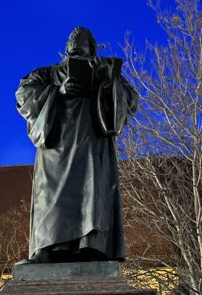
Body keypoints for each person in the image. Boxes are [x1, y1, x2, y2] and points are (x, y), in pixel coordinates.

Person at [16, 26, 138, 263]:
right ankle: (45, 249)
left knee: (90, 194)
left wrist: (108, 83)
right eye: (72, 37)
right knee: (50, 195)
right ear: (66, 46)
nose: (75, 38)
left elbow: (130, 99)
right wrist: (57, 91)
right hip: (56, 148)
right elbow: (23, 94)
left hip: (91, 144)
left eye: (81, 37)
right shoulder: (48, 74)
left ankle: (92, 247)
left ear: (92, 46)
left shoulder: (104, 70)